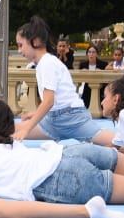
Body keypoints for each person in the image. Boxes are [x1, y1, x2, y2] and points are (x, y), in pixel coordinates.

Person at [12, 15, 112, 144]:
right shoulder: (43, 63)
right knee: (7, 129)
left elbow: (49, 101)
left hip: (71, 118)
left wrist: (28, 128)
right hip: (55, 119)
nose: (19, 50)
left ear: (35, 41)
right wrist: (35, 115)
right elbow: (54, 101)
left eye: (21, 45)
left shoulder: (47, 63)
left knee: (115, 142)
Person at [78, 44, 108, 108]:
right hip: (87, 89)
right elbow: (79, 80)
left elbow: (106, 79)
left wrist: (101, 71)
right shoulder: (83, 64)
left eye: (93, 52)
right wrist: (82, 72)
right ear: (87, 54)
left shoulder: (103, 64)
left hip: (100, 89)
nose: (91, 54)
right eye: (89, 52)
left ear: (97, 54)